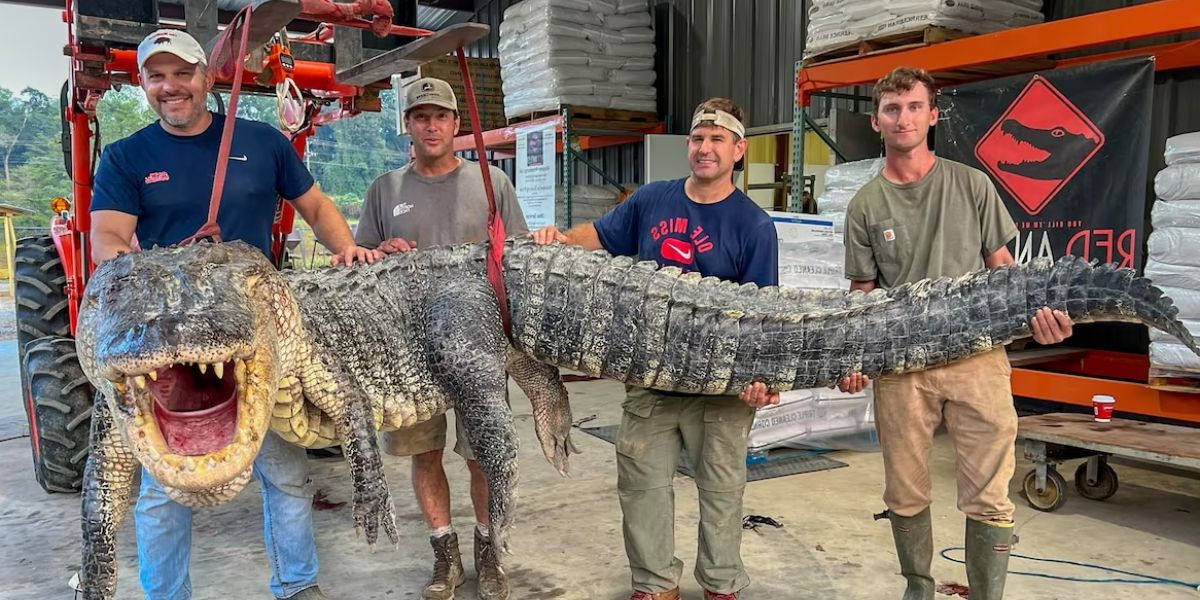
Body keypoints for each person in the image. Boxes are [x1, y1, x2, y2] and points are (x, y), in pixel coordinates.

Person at [90, 29, 377, 600]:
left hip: (252, 335)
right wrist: (163, 270)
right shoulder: (126, 156)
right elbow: (108, 239)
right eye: (156, 76)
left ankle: (298, 586)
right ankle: (166, 594)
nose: (169, 87)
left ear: (208, 77)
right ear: (143, 83)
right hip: (171, 338)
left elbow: (316, 206)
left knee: (285, 471)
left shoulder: (262, 141)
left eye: (181, 74)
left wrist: (345, 247)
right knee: (158, 489)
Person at [530, 98, 780, 600]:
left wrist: (764, 379)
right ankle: (654, 584)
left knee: (722, 493)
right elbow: (599, 236)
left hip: (720, 391)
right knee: (641, 487)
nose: (705, 148)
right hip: (651, 381)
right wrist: (555, 241)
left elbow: (762, 317)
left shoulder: (754, 226)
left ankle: (721, 585)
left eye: (716, 140)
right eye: (697, 138)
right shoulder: (652, 200)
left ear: (738, 150)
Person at [841, 66, 1074, 600]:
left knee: (991, 493)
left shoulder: (971, 185)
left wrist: (1039, 316)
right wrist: (853, 356)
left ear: (932, 115)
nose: (904, 118)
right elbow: (864, 297)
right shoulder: (865, 206)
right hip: (902, 368)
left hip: (978, 361)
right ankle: (919, 588)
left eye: (914, 107)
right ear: (877, 120)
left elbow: (1005, 274)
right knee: (904, 490)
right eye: (892, 109)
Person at [354, 77, 528, 600]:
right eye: (420, 116)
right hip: (409, 350)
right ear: (407, 124)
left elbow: (517, 260)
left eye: (441, 116)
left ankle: (489, 551)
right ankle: (443, 554)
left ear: (456, 125)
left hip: (478, 345)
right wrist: (380, 252)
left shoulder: (491, 182)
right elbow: (359, 264)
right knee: (422, 452)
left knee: (483, 453)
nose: (431, 125)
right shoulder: (384, 189)